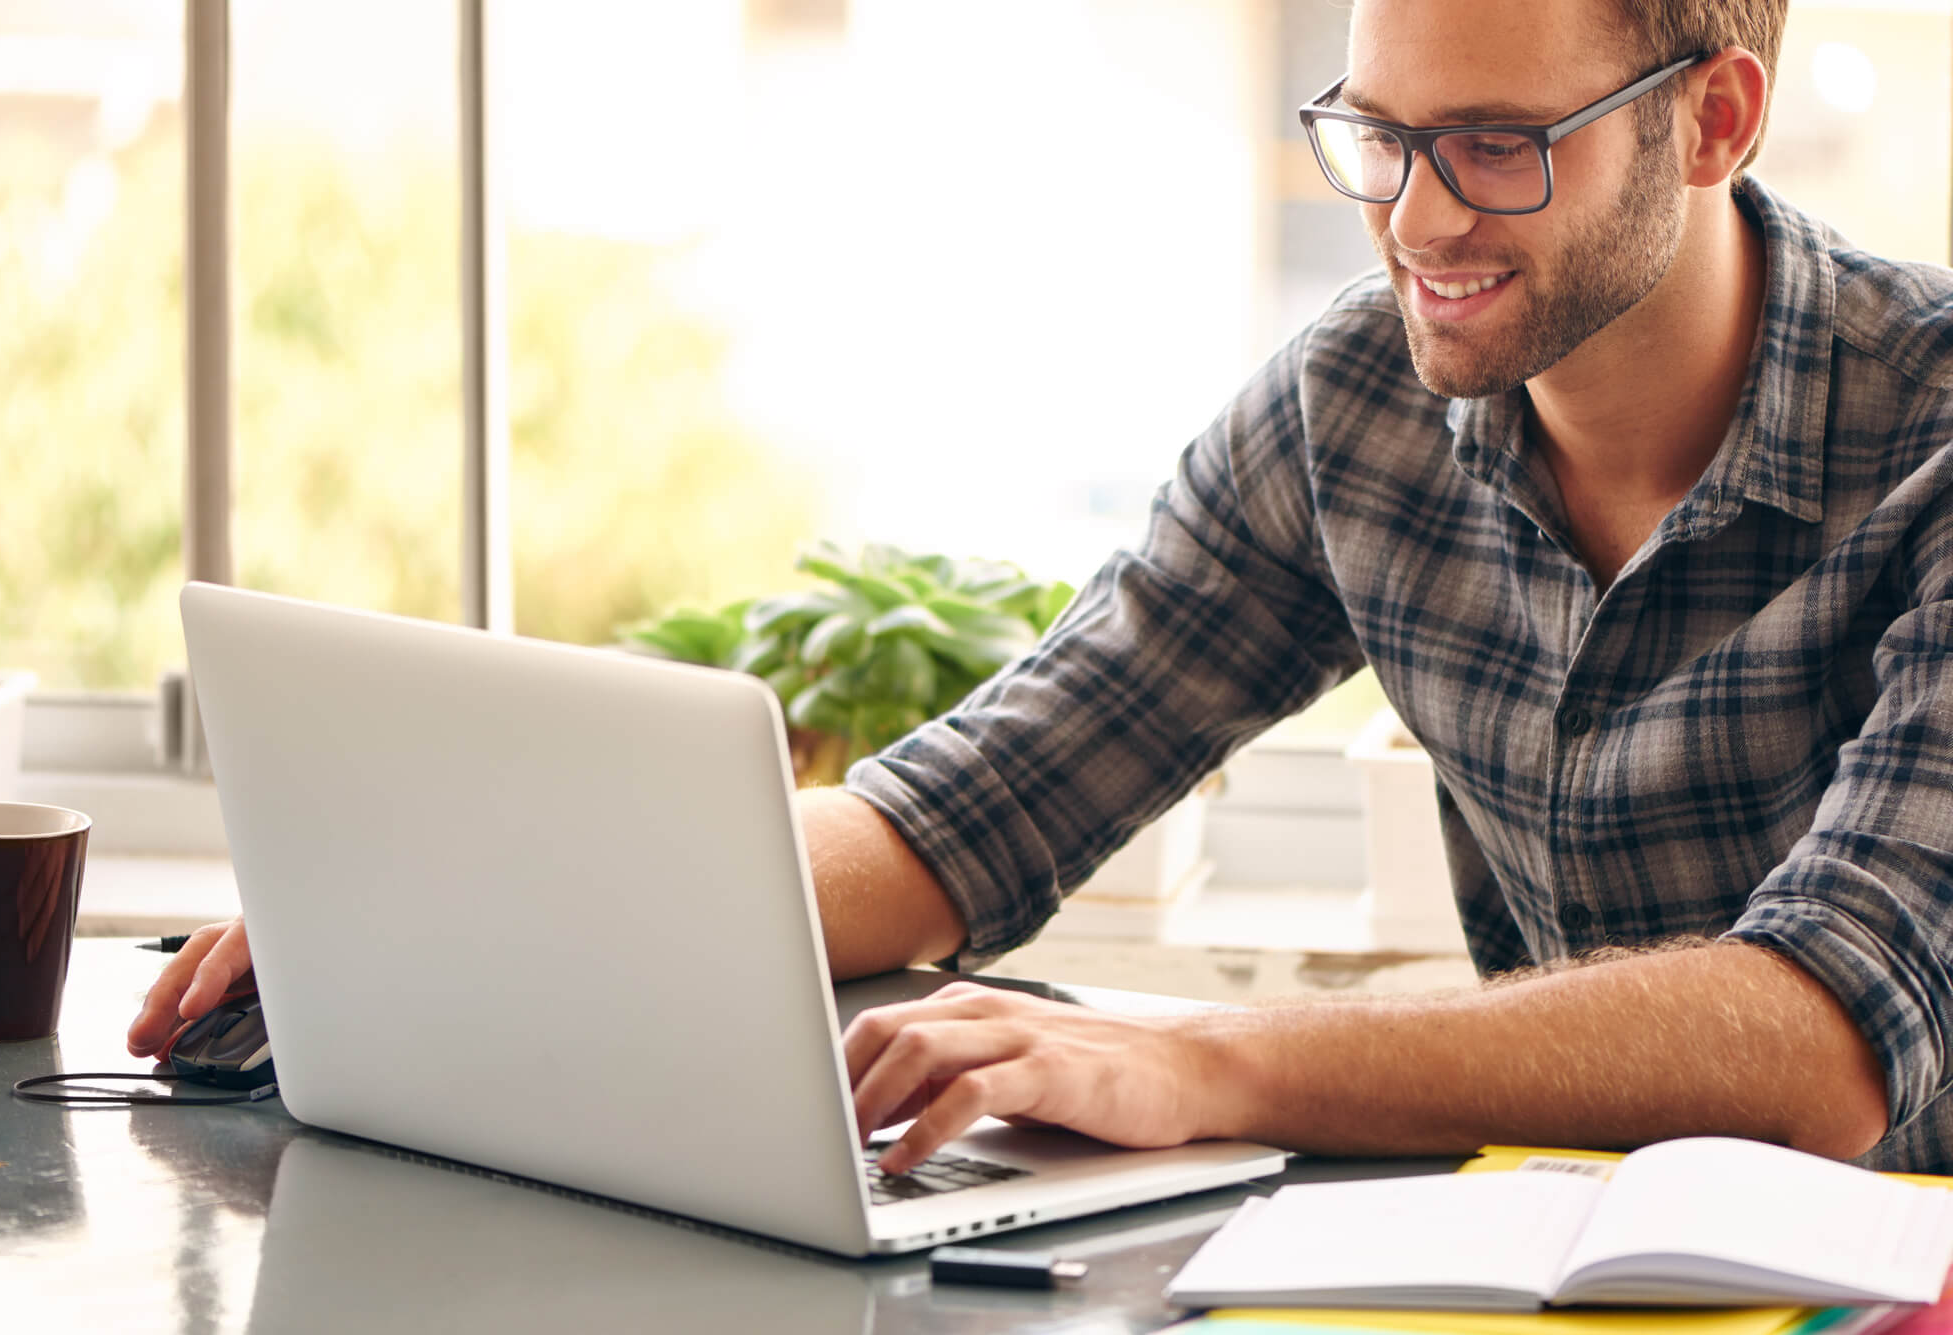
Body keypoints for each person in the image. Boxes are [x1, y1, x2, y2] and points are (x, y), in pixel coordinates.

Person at [131, 0, 1953, 1175]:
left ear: (1716, 118)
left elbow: (1823, 1042)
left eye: (1495, 146)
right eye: (1377, 137)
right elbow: (988, 799)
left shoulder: (1932, 432)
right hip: (1561, 1263)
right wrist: (450, 915)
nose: (1410, 220)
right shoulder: (1355, 407)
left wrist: (1204, 1058)